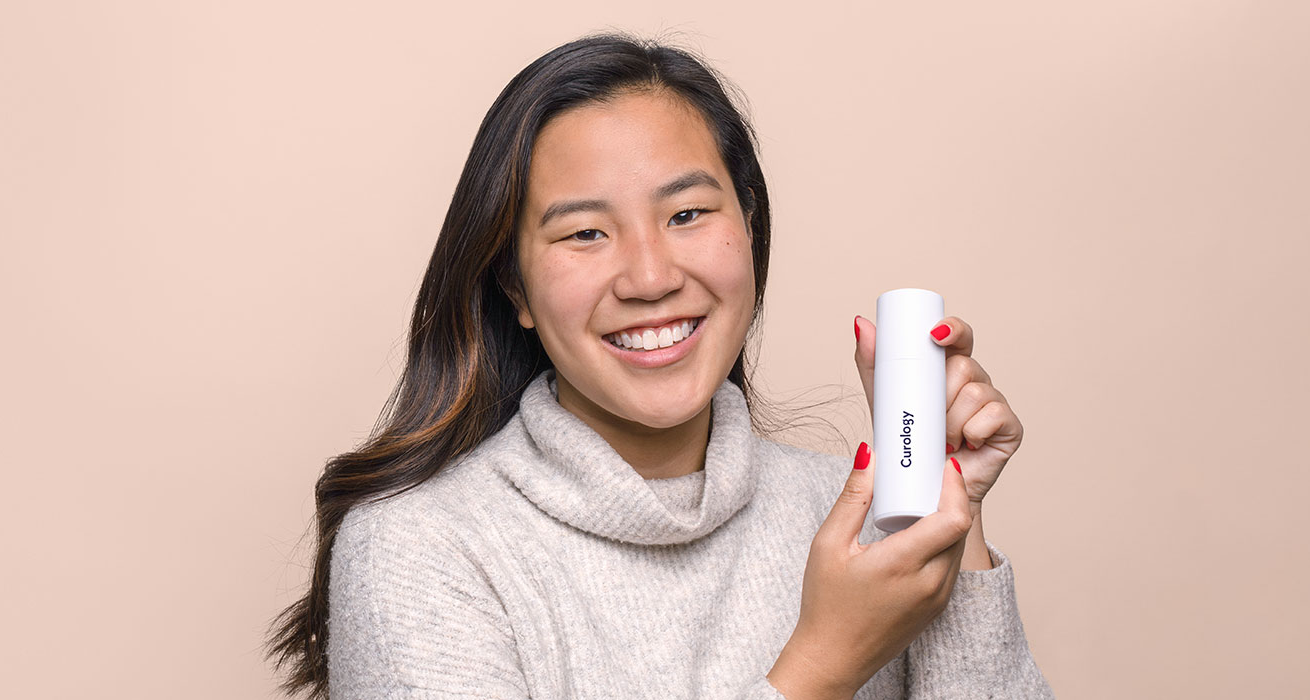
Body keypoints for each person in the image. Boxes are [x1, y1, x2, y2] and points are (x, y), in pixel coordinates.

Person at [265, 31, 1055, 700]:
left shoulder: (850, 514)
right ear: (516, 287)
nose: (650, 278)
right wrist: (821, 666)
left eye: (685, 215)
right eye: (584, 233)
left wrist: (949, 515)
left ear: (748, 226)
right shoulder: (420, 548)